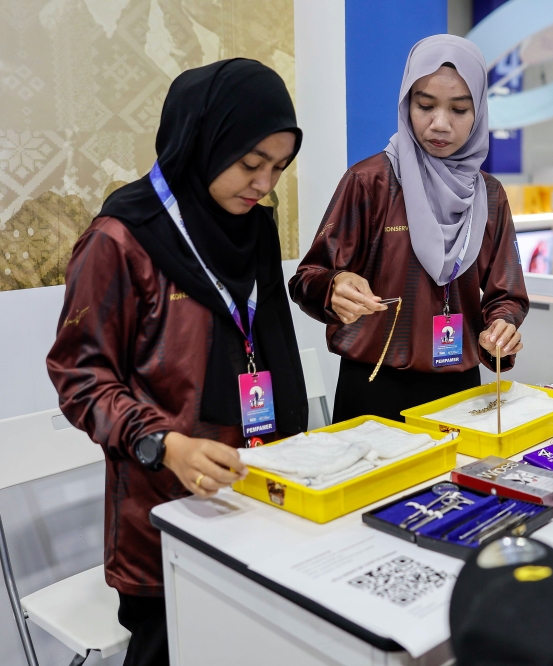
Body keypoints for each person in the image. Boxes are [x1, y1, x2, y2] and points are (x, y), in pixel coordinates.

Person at [46, 59, 309, 665]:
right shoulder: (120, 239)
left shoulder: (253, 229)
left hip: (260, 497)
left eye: (278, 167)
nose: (265, 183)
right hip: (165, 514)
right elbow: (80, 377)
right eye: (251, 163)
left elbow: (265, 348)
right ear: (203, 140)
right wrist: (166, 444)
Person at [290, 36, 528, 422]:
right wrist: (333, 287)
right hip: (374, 387)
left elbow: (508, 293)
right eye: (425, 105)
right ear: (406, 104)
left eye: (459, 109)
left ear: (479, 111)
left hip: (459, 390)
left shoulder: (489, 195)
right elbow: (307, 278)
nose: (440, 124)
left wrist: (502, 325)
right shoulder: (370, 182)